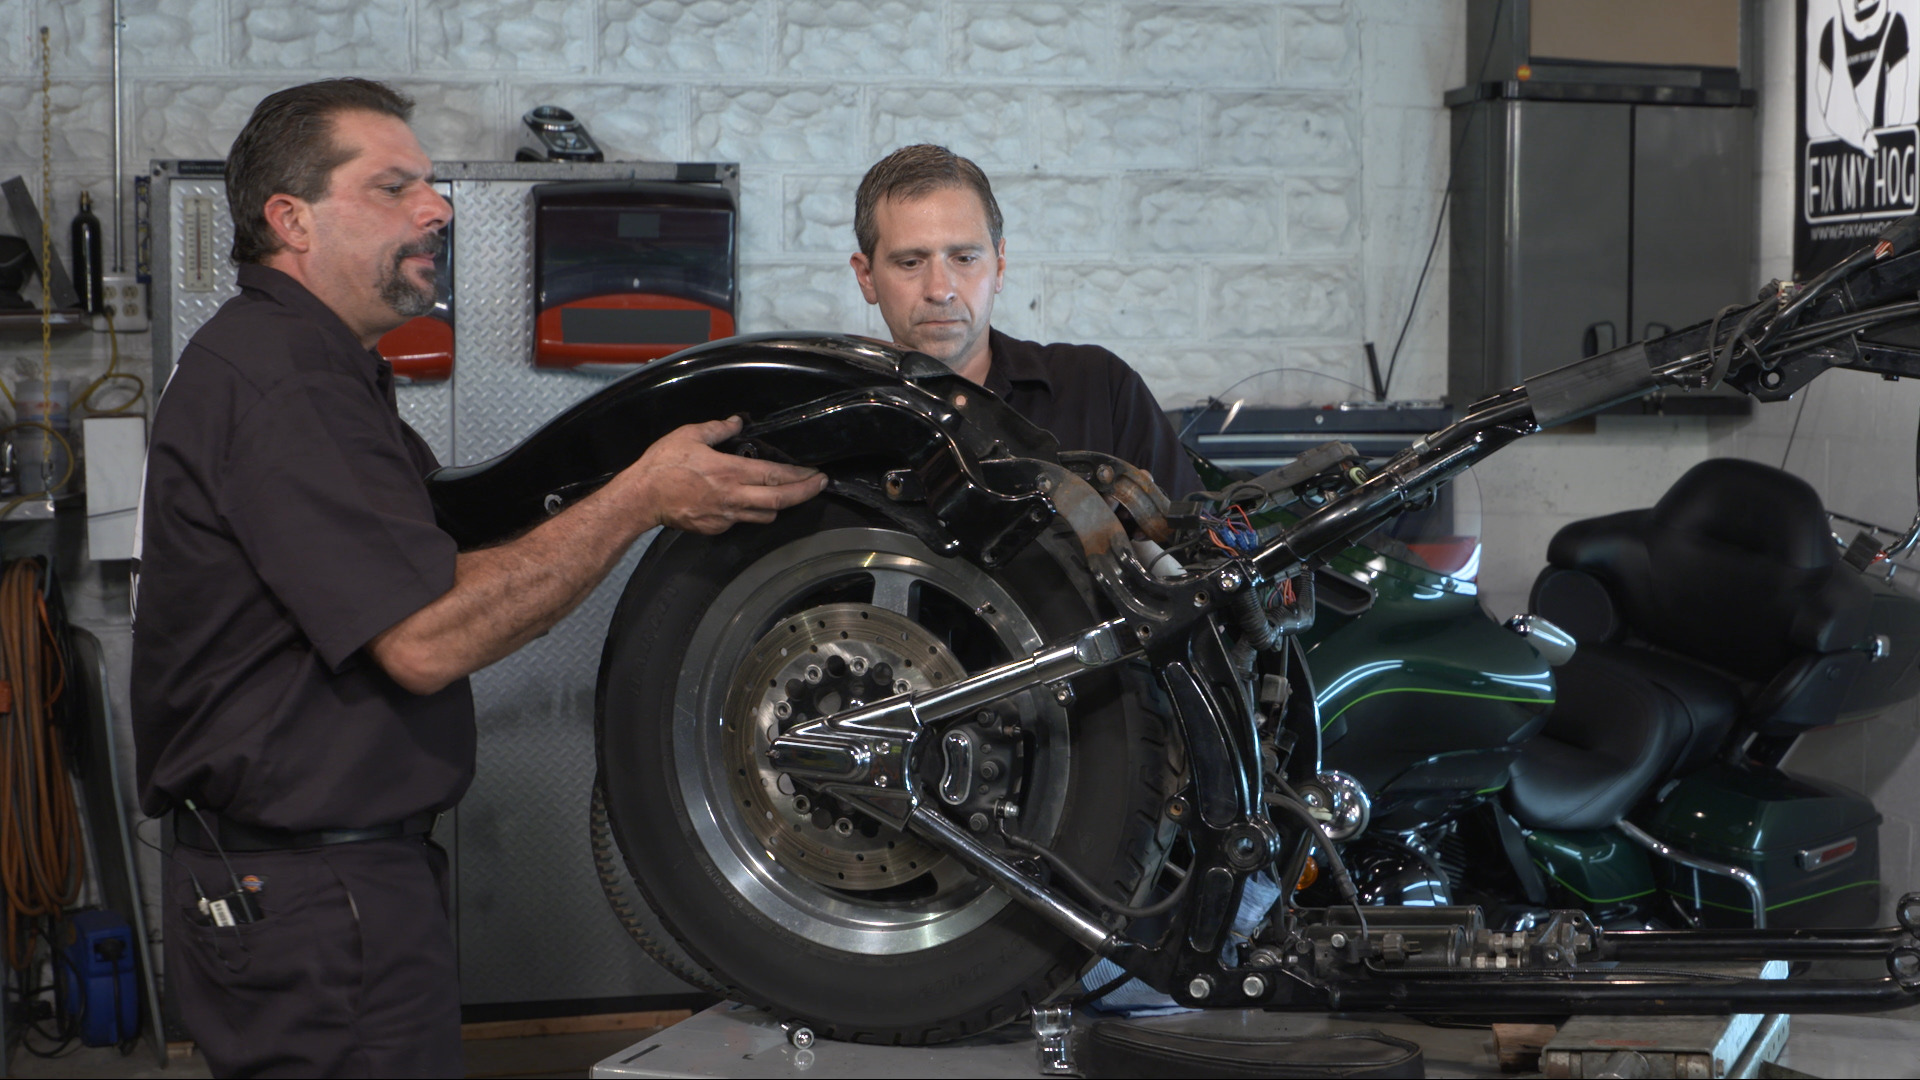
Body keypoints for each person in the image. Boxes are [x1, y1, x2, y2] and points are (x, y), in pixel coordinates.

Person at [130, 79, 826, 1078]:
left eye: (432, 185)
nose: (437, 207)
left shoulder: (316, 372)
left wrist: (631, 470)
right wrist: (639, 500)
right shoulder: (284, 386)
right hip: (317, 903)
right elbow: (426, 639)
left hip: (322, 886)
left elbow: (456, 547)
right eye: (394, 186)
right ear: (291, 220)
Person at [849, 144, 1201, 500]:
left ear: (999, 267)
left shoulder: (1100, 389)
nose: (940, 290)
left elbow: (1199, 545)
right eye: (911, 262)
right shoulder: (834, 423)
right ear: (867, 276)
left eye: (965, 258)